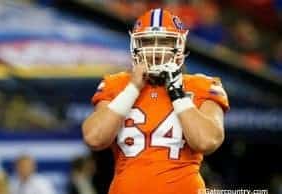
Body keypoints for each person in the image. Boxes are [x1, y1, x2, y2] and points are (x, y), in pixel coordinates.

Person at [82, 8, 229, 194]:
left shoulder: (202, 85)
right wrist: (132, 89)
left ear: (180, 46)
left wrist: (177, 93)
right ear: (135, 45)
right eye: (148, 42)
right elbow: (94, 137)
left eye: (165, 42)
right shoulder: (116, 84)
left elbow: (206, 142)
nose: (156, 51)